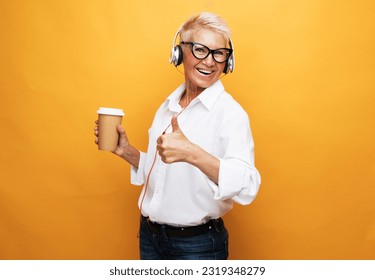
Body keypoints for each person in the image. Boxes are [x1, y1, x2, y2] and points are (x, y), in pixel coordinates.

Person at [94, 12, 261, 260]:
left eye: (219, 53)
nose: (210, 61)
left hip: (196, 246)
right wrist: (127, 152)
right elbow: (166, 175)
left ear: (228, 61)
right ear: (179, 53)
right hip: (151, 237)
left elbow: (249, 185)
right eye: (200, 49)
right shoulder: (168, 106)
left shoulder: (230, 114)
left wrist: (193, 153)